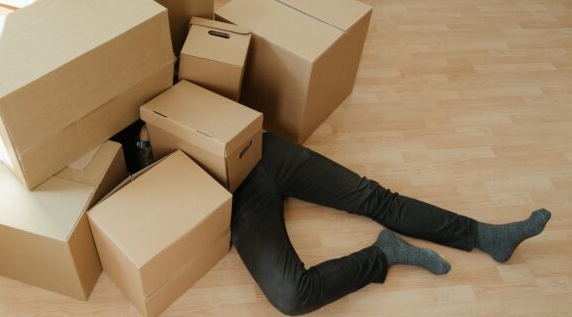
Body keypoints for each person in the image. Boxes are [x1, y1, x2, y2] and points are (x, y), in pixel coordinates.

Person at [231, 132, 551, 315]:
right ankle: (384, 254)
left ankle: (486, 235)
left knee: (375, 198)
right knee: (291, 296)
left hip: (253, 146)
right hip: (229, 191)